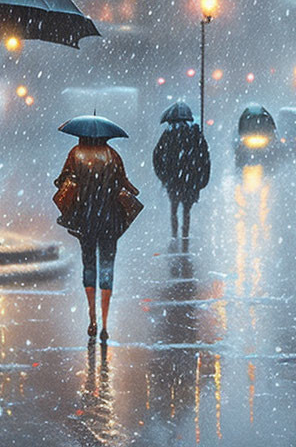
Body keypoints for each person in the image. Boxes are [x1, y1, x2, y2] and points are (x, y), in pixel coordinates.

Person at [55, 116, 139, 342]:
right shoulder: (113, 156)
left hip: (85, 219)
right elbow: (126, 185)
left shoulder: (75, 154)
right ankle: (105, 320)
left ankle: (92, 318)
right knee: (107, 266)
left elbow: (63, 183)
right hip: (109, 220)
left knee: (89, 264)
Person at [153, 101, 211, 238]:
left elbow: (157, 156)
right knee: (186, 209)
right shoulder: (195, 133)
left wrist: (164, 176)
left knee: (173, 208)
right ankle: (185, 234)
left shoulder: (168, 134)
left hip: (173, 179)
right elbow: (205, 158)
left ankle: (175, 234)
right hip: (190, 179)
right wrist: (202, 179)